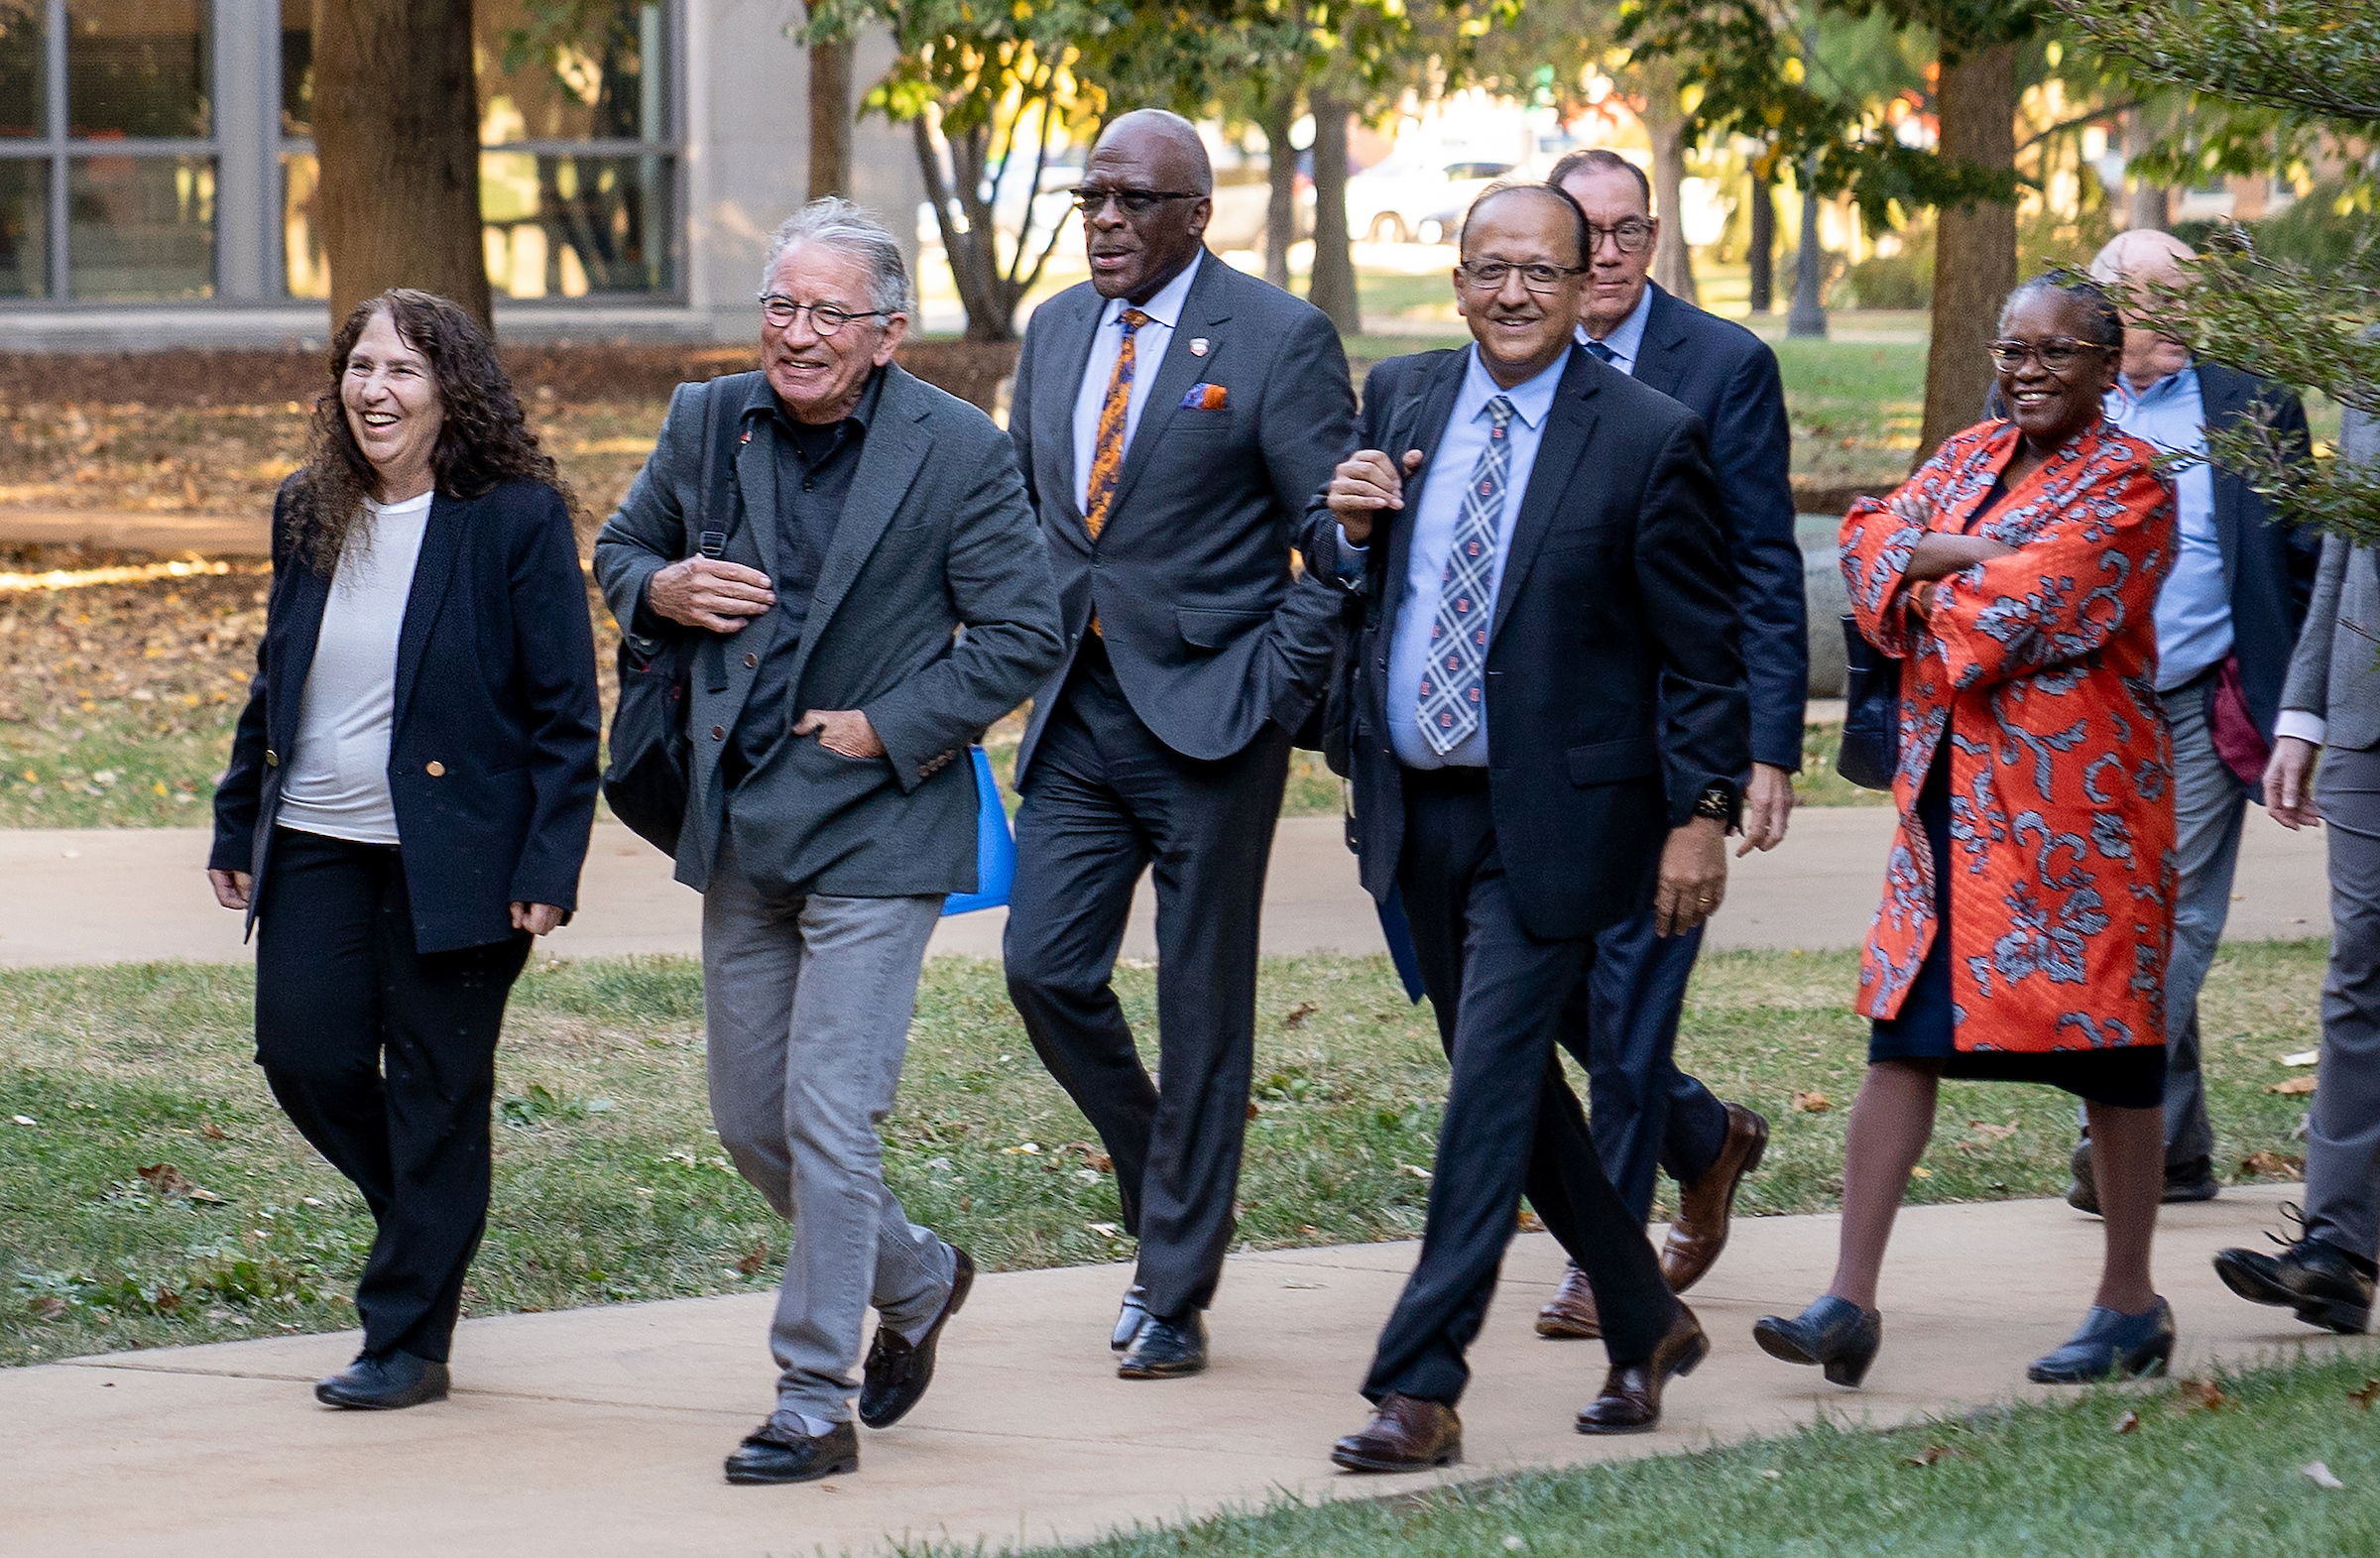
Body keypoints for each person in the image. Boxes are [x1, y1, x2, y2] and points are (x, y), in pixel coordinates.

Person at [593, 199, 1064, 1484]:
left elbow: (1026, 632)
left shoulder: (960, 450)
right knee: (753, 1121)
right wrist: (665, 587)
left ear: (888, 334)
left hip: (880, 820)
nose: (795, 335)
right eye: (780, 306)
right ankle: (918, 1275)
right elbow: (621, 546)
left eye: (826, 313)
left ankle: (814, 1393)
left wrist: (890, 724)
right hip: (741, 820)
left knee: (830, 1114)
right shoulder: (707, 419)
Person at [1320, 181, 1747, 1472]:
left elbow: (1704, 654)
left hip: (1560, 824)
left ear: (1583, 287)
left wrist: (1701, 814)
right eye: (1490, 269)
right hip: (1419, 811)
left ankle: (1419, 1384)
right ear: (1456, 281)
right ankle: (1648, 1315)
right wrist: (1338, 527)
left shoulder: (1648, 434)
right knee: (1521, 1096)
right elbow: (1352, 570)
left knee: (1486, 1087)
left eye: (1541, 273)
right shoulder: (1398, 398)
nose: (1513, 293)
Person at [1758, 272, 2179, 1389]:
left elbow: (2040, 606)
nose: (2027, 371)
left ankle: (2131, 1302)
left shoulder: (2132, 480)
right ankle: (1847, 1299)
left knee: (2113, 1048)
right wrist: (1948, 558)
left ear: (2106, 363)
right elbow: (1863, 548)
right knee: (1902, 1032)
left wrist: (1933, 564)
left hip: (2078, 823)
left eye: (2055, 353)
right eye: (2012, 348)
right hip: (1950, 803)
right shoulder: (1965, 453)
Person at [1002, 109, 1356, 1380]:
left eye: (1131, 200)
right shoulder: (1052, 330)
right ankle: (1170, 1177)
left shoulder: (1277, 338)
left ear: (1196, 213)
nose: (1103, 220)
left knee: (1204, 1009)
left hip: (1215, 715)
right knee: (1043, 967)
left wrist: (1279, 679)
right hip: (1077, 706)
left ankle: (1175, 1284)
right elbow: (1032, 511)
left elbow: (1336, 530)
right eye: (1089, 195)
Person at [207, 289, 602, 1411]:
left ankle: (407, 1340)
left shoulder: (515, 517)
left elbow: (567, 709)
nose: (374, 391)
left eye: (402, 371)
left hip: (461, 853)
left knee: (437, 1089)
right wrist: (240, 815)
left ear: (451, 391)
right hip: (320, 834)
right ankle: (433, 1212)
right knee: (304, 1052)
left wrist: (548, 863)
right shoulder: (308, 508)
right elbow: (272, 677)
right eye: (360, 367)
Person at [1528, 149, 1804, 1342]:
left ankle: (1610, 1256)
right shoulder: (1511, 357)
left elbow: (1761, 564)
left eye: (1629, 230)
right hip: (1537, 742)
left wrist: (1767, 746)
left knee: (1634, 1004)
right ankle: (1709, 1135)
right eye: (1586, 231)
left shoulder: (1724, 365)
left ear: (1653, 238)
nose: (1609, 253)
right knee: (1541, 988)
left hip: (1669, 741)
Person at [2063, 229, 2320, 1213]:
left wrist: (2301, 695)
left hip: (2205, 693)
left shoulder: (2253, 404)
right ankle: (2173, 1150)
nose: (2182, 320)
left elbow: (2298, 554)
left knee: (2183, 911)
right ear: (2102, 316)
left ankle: (2109, 1109)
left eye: (2190, 300)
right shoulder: (2061, 394)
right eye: (2156, 302)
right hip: (2090, 703)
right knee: (2121, 913)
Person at [2213, 400, 2380, 1335]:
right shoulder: (2367, 363)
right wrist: (2304, 715)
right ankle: (2338, 1248)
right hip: (2367, 724)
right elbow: (2343, 563)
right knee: (2361, 965)